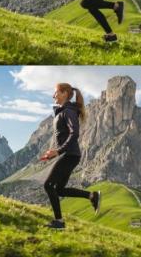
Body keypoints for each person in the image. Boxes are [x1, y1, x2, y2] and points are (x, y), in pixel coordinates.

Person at [41, 82, 101, 229]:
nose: (53, 95)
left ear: (64, 93)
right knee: (59, 189)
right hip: (69, 154)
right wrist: (53, 153)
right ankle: (92, 196)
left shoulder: (68, 111)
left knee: (48, 185)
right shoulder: (63, 111)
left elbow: (74, 133)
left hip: (70, 155)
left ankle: (59, 222)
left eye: (56, 92)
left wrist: (58, 151)